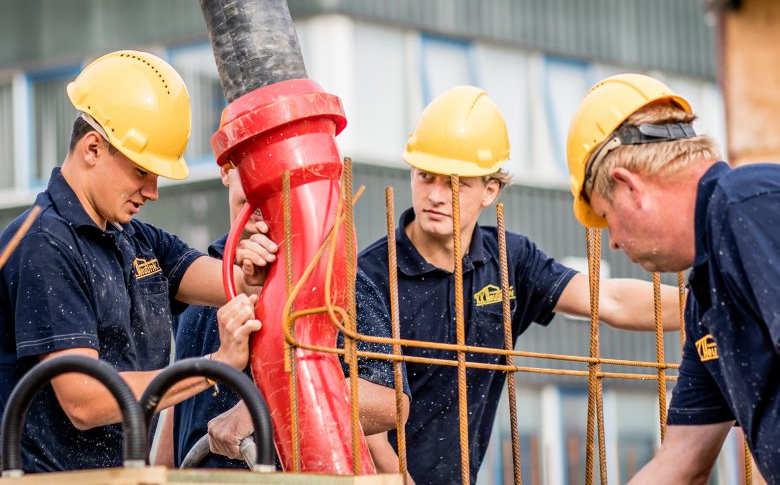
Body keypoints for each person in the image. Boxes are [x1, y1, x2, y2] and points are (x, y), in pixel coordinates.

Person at [357, 85, 683, 485]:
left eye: (456, 183)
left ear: (490, 190)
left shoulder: (510, 260)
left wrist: (710, 307)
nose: (436, 195)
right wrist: (398, 477)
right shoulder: (369, 276)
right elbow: (363, 410)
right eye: (426, 177)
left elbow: (610, 300)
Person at [0, 50, 267, 473]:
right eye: (142, 171)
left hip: (117, 475)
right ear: (92, 148)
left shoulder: (131, 237)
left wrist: (254, 274)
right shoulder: (44, 246)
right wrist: (217, 365)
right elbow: (86, 400)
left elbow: (227, 281)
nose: (153, 191)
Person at [566, 73, 779, 484]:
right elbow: (681, 464)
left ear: (629, 187)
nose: (612, 242)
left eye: (608, 217)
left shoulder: (749, 208)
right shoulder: (705, 295)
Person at [154, 165, 411, 469]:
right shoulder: (198, 275)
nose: (264, 192)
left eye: (279, 177)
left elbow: (391, 402)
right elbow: (184, 402)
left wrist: (265, 406)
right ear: (225, 170)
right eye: (253, 170)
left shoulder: (328, 277)